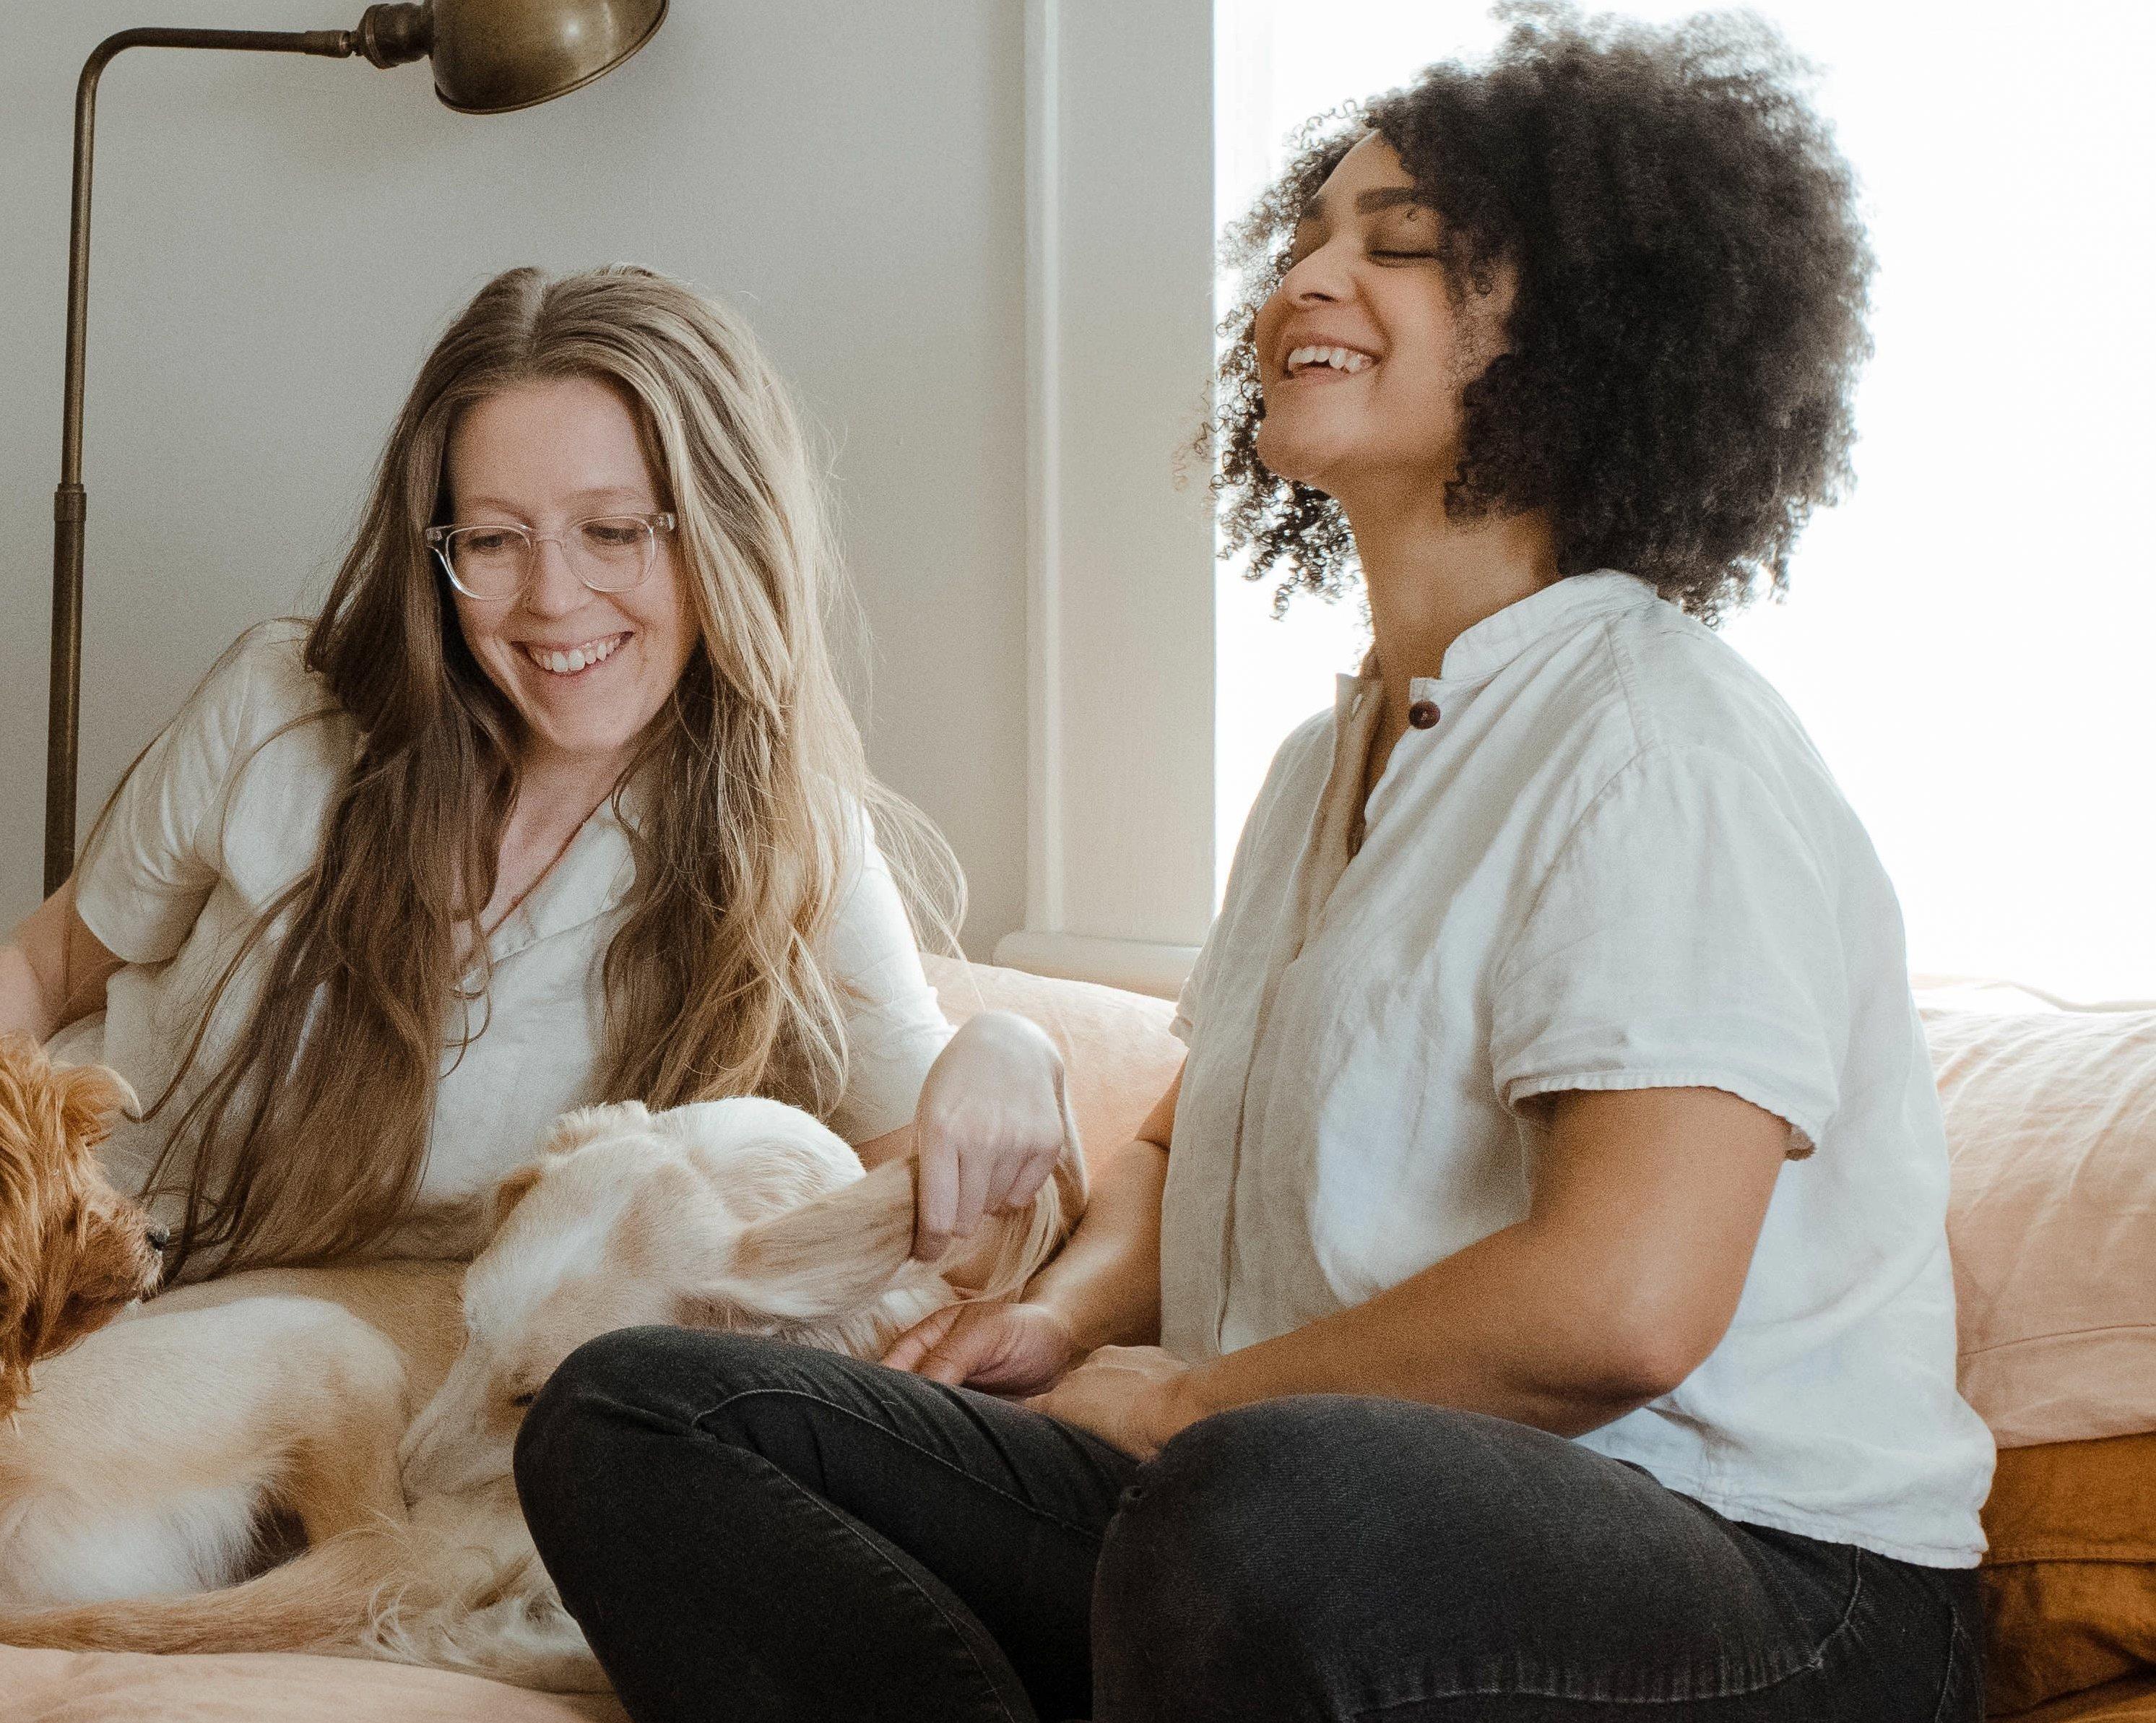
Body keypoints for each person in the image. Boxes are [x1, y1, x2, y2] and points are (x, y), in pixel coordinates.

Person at [513, 11, 1991, 1722]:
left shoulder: (1656, 744)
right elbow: (1176, 1131)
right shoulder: (1325, 761)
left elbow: (1624, 1303)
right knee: (640, 1416)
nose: (1306, 278)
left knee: (1253, 1506)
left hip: (1768, 1590)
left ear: (1585, 334)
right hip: (1277, 1521)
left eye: (1399, 246)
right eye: (1302, 238)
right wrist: (1061, 1325)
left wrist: (1192, 1401)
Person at [0, 264, 1066, 1284]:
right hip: (68, 1268)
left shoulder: (791, 840)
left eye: (611, 532)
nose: (551, 598)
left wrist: (1012, 1050)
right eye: (496, 540)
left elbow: (956, 1237)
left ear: (726, 537)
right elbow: (48, 968)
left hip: (359, 1362)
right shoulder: (279, 706)